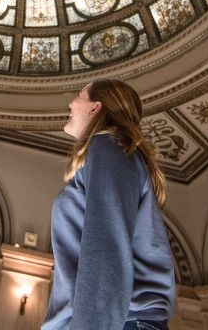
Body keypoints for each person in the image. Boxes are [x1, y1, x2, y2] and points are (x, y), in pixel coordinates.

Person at [43, 79, 177, 330]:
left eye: (78, 95)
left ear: (95, 107)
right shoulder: (108, 150)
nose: (70, 103)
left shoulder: (108, 145)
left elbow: (106, 250)